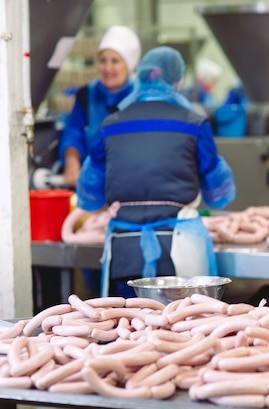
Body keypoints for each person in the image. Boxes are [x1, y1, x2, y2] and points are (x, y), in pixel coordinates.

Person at [76, 46, 236, 298]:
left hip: (125, 248)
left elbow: (89, 196)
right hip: (181, 248)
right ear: (178, 80)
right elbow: (219, 195)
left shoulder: (110, 125)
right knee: (184, 330)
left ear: (138, 76)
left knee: (127, 328)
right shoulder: (194, 123)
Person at [58, 25, 141, 188]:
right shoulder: (86, 94)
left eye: (115, 61)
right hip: (92, 184)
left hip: (132, 184)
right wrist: (71, 160)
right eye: (103, 61)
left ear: (128, 65)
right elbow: (73, 132)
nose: (108, 68)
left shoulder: (139, 96)